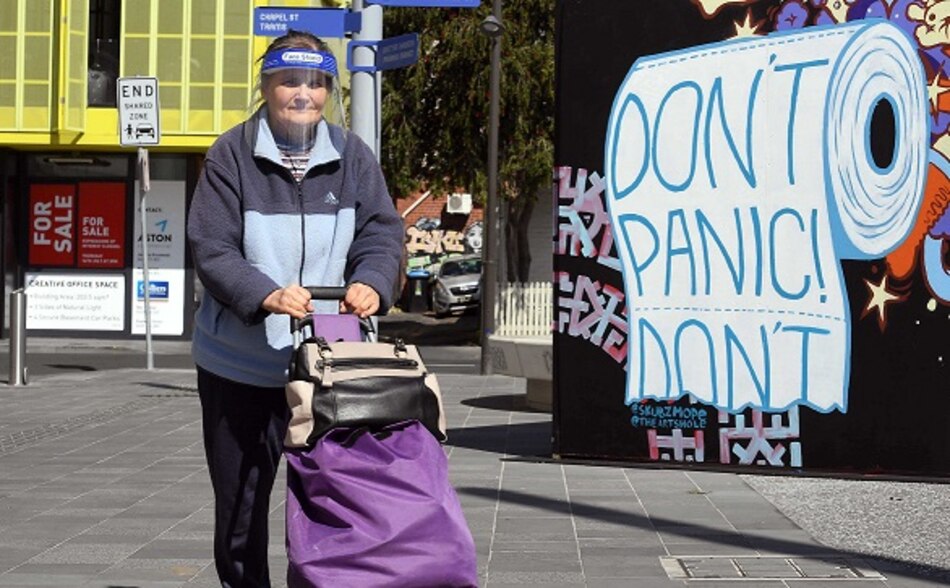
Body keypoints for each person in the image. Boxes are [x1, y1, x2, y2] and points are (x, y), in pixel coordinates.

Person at [187, 30, 403, 588]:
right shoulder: (229, 155)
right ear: (267, 87)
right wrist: (265, 294)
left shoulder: (354, 155)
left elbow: (382, 233)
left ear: (329, 91)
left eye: (314, 83)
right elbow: (212, 248)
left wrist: (373, 282)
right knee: (242, 508)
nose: (302, 94)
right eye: (289, 81)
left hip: (331, 364)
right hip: (240, 365)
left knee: (335, 498)